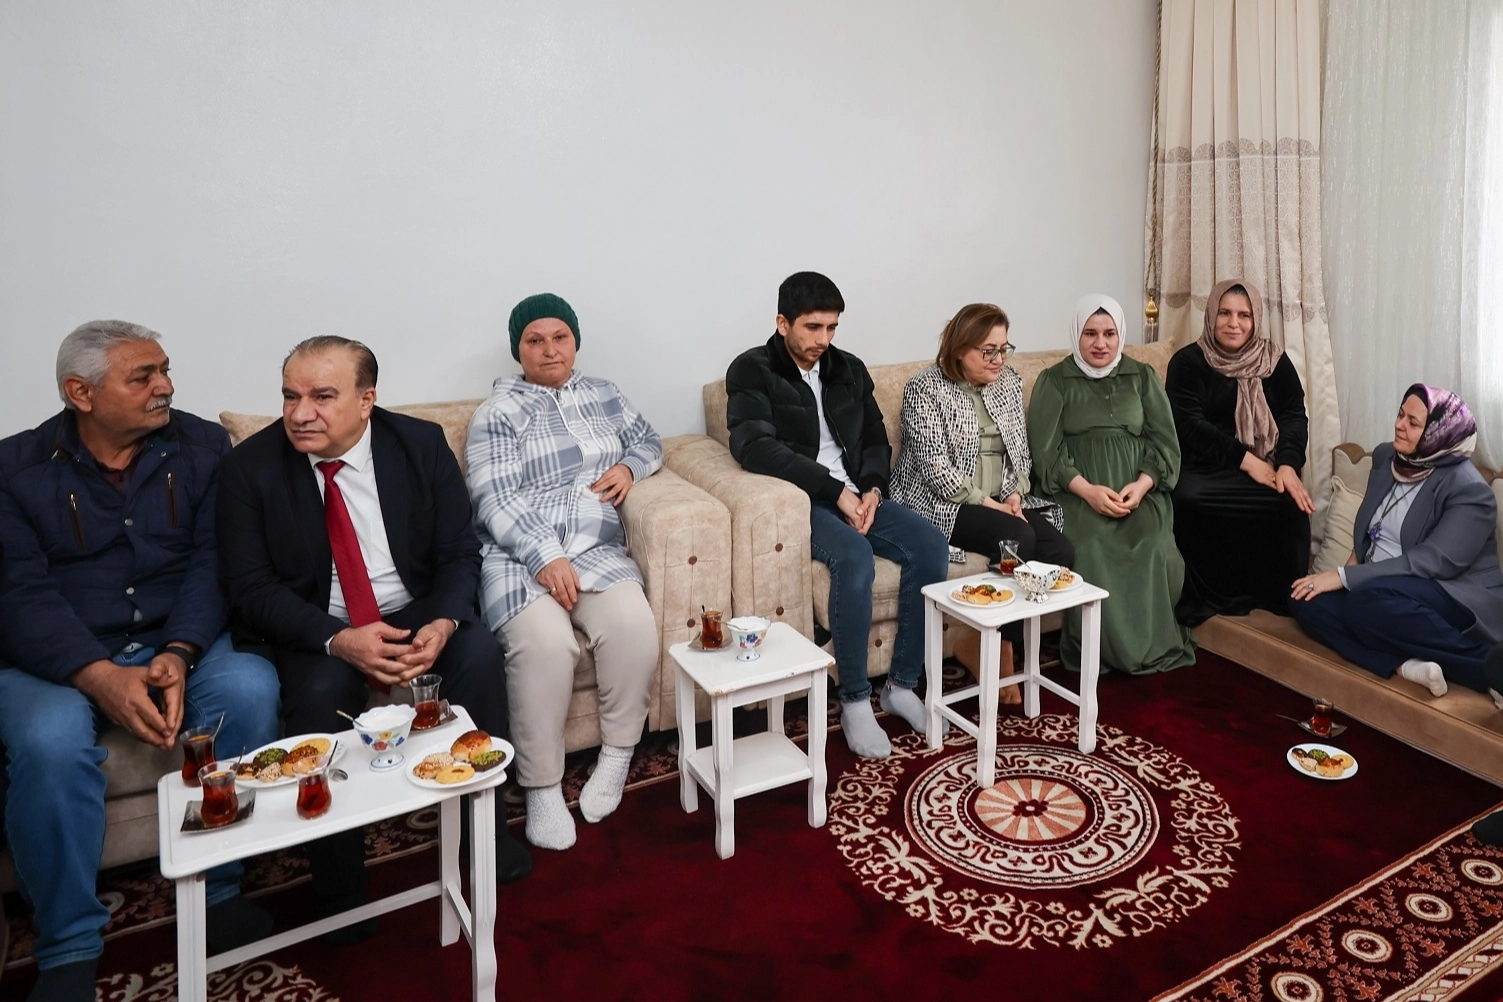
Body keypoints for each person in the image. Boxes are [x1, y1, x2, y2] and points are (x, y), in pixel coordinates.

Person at [0, 321, 281, 1002]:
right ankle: (69, 942)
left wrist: (180, 650)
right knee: (47, 740)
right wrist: (96, 675)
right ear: (81, 393)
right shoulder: (14, 469)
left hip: (177, 634)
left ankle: (220, 886)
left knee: (249, 687)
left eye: (165, 370)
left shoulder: (203, 447)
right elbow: (19, 592)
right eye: (144, 377)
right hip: (56, 653)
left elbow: (214, 561)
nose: (167, 387)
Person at [216, 335, 530, 943]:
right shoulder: (248, 469)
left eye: (322, 397)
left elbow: (458, 551)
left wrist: (444, 621)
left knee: (479, 655)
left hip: (414, 610)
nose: (300, 413)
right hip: (320, 626)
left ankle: (484, 832)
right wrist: (339, 640)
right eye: (290, 396)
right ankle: (338, 881)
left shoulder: (419, 444)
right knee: (316, 698)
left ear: (367, 401)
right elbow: (250, 589)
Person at [466, 294, 662, 852]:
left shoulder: (605, 393)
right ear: (518, 349)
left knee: (633, 626)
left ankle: (617, 755)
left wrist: (629, 467)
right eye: (535, 340)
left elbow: (649, 440)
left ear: (575, 342)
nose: (549, 349)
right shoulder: (497, 413)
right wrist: (544, 555)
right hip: (520, 556)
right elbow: (494, 497)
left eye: (560, 337)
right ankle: (542, 787)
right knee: (546, 646)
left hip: (596, 549)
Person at [726, 272, 950, 759]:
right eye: (812, 327)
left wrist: (871, 490)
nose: (823, 340)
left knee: (930, 544)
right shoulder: (751, 370)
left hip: (857, 493)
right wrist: (836, 493)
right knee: (853, 556)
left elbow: (874, 438)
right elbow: (754, 446)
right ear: (782, 323)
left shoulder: (848, 368)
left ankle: (901, 685)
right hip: (806, 500)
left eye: (831, 328)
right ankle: (854, 700)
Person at [1290, 384, 1503, 698]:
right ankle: (1406, 665)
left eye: (1413, 423)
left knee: (1363, 602)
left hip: (1449, 591)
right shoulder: (1388, 457)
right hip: (1383, 588)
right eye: (1400, 414)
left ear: (1439, 433)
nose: (1399, 425)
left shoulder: (1469, 489)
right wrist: (1346, 572)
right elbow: (1368, 535)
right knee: (1304, 599)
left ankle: (1486, 667)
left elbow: (1434, 561)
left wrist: (1344, 578)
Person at [1027, 295, 1197, 675]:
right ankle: (1099, 652)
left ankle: (1152, 647)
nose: (1100, 343)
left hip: (1138, 491)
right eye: (1090, 333)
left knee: (1155, 544)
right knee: (1091, 545)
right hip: (1074, 494)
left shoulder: (1142, 376)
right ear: (1077, 335)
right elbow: (1046, 452)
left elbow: (1165, 442)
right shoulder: (1054, 381)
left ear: (1120, 335)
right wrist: (1088, 491)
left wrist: (1142, 485)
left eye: (1109, 333)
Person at [1167, 279, 1314, 624]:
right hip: (1204, 467)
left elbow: (1294, 415)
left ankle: (1279, 598)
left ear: (1255, 318)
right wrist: (1246, 461)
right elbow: (1190, 425)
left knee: (1290, 504)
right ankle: (1210, 598)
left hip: (1266, 464)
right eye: (1225, 313)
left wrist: (1288, 465)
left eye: (1244, 315)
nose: (1234, 323)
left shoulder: (1273, 361)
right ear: (1211, 315)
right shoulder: (1188, 362)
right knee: (1187, 500)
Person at [892, 301, 1074, 568]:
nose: (999, 360)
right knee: (1017, 537)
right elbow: (936, 470)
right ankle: (991, 595)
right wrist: (992, 505)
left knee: (1060, 551)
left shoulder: (1009, 382)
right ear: (959, 350)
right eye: (989, 351)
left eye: (1003, 349)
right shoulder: (925, 389)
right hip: (944, 502)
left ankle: (1022, 597)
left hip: (1001, 498)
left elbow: (1020, 453)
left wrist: (1014, 497)